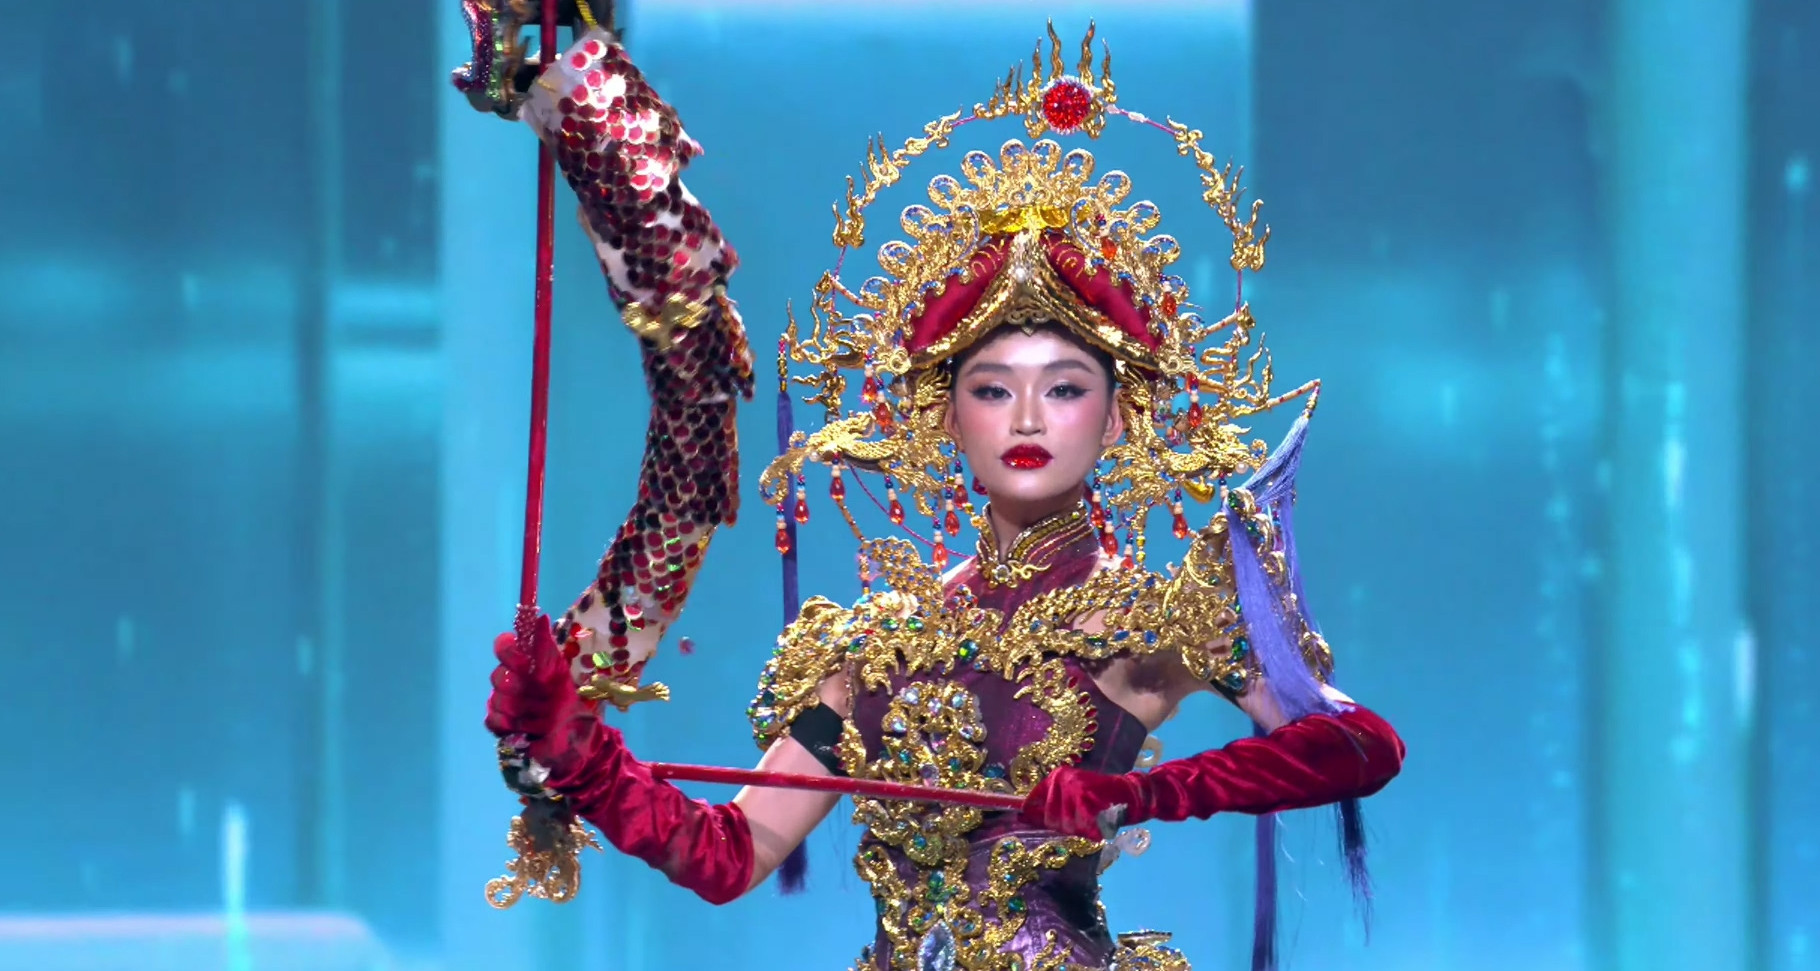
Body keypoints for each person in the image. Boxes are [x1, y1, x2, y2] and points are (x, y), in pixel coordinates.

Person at [474, 16, 1405, 971]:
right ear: (946, 417)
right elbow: (727, 854)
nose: (1028, 418)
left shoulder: (1151, 620)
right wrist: (578, 752)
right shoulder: (872, 646)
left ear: (1118, 418)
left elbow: (1360, 745)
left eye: (1066, 389)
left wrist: (1142, 794)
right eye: (992, 390)